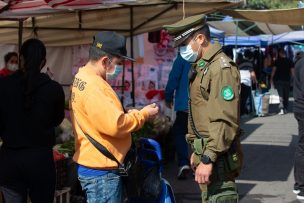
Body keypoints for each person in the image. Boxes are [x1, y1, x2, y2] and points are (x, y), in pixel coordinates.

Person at [70, 31, 159, 203]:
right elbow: (116, 126)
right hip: (102, 172)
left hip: (94, 164)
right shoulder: (95, 86)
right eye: (119, 62)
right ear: (105, 61)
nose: (120, 67)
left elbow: (99, 117)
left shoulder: (82, 77)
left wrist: (127, 113)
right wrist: (143, 115)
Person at [163, 14, 243, 203]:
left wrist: (208, 158)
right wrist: (196, 151)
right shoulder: (202, 67)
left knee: (219, 198)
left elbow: (224, 119)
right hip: (208, 153)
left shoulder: (220, 69)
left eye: (184, 43)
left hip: (219, 158)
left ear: (200, 38)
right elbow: (200, 114)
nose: (182, 50)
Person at [0, 39, 65, 203]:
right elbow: (57, 120)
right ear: (43, 62)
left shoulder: (4, 85)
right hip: (40, 162)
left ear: (21, 58)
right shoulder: (54, 89)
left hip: (10, 161)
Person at [165, 53, 191, 179]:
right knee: (199, 135)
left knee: (179, 132)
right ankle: (201, 163)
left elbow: (173, 78)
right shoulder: (207, 56)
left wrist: (168, 96)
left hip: (185, 106)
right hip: (204, 108)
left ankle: (184, 163)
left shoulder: (183, 57)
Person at [293, 51, 304, 200]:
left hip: (300, 108)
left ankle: (299, 185)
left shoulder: (300, 62)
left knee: (302, 146)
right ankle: (301, 187)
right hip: (303, 109)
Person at [271, 48, 295, 115]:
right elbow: (293, 73)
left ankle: (281, 109)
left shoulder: (277, 61)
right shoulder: (290, 61)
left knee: (280, 94)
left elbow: (274, 70)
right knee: (286, 95)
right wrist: (293, 80)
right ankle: (286, 109)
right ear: (285, 53)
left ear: (279, 54)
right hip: (287, 80)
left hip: (278, 80)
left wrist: (271, 78)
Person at [239, 49, 257, 116]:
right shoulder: (249, 63)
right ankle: (244, 112)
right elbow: (252, 74)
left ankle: (241, 112)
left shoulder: (239, 62)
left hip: (239, 82)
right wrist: (255, 81)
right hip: (246, 82)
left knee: (241, 98)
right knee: (245, 98)